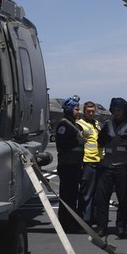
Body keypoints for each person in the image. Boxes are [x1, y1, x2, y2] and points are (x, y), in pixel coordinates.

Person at [95, 97, 127, 238]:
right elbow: (99, 142)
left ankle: (120, 228)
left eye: (119, 110)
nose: (116, 113)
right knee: (102, 199)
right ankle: (101, 227)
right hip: (106, 166)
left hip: (123, 167)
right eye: (114, 110)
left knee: (123, 199)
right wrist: (107, 140)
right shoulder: (107, 125)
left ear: (125, 111)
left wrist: (124, 143)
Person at [55, 95, 84, 232]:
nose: (78, 111)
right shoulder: (64, 124)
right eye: (76, 109)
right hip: (67, 166)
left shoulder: (73, 124)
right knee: (67, 196)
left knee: (73, 196)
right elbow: (61, 144)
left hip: (75, 165)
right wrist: (77, 142)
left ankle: (71, 221)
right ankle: (66, 223)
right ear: (69, 109)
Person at [77, 100, 102, 225]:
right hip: (87, 162)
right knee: (86, 193)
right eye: (88, 111)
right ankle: (84, 219)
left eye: (92, 111)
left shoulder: (97, 124)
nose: (91, 113)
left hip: (98, 161)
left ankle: (94, 217)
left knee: (97, 193)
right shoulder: (80, 124)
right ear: (84, 111)